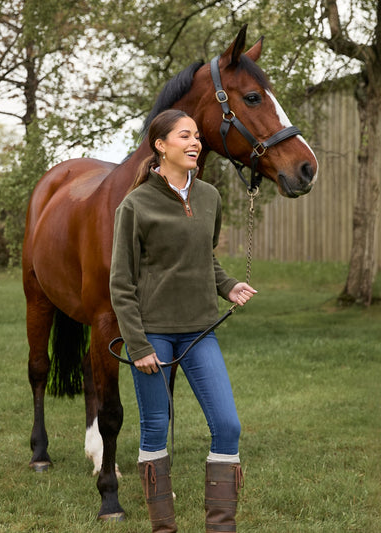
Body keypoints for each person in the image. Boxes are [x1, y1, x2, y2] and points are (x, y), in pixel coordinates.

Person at [109, 109, 256, 532]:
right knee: (155, 428)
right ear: (161, 145)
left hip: (200, 330)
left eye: (197, 137)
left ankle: (221, 527)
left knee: (228, 426)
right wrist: (138, 346)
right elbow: (121, 282)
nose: (195, 143)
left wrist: (227, 285)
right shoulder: (134, 205)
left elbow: (204, 257)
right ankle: (164, 529)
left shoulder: (209, 196)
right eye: (184, 136)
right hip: (153, 335)